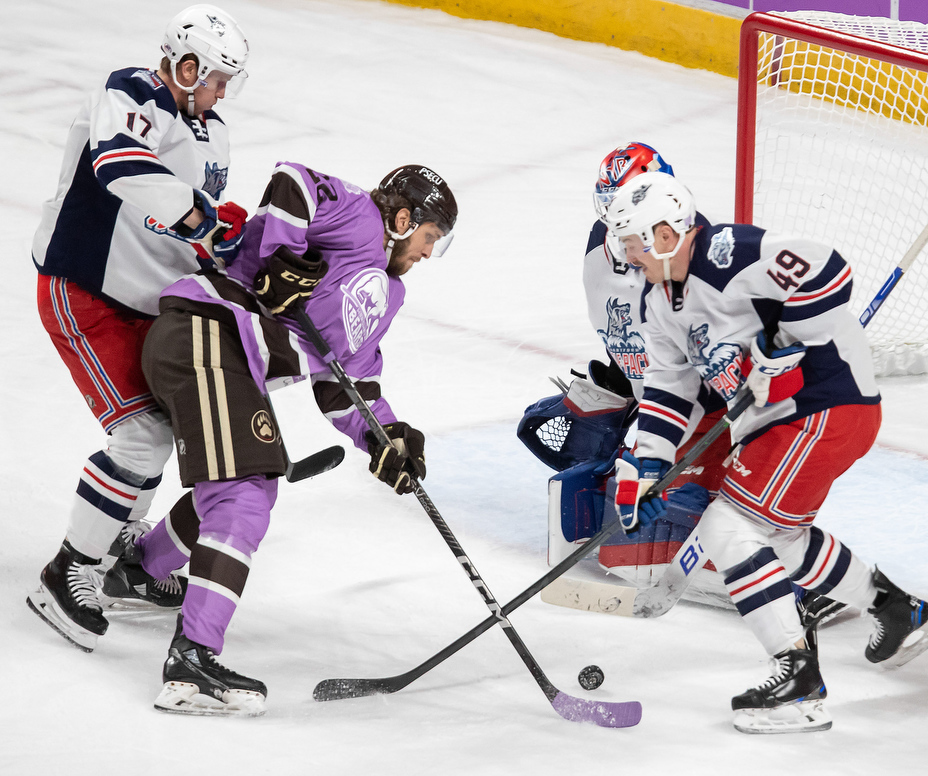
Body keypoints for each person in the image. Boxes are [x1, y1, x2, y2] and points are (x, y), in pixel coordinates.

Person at [605, 171, 928, 733]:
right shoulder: (658, 303)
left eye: (631, 243)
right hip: (787, 421)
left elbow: (828, 267)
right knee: (779, 537)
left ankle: (798, 680)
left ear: (665, 235)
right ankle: (897, 611)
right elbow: (671, 390)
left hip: (826, 403)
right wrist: (646, 465)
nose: (627, 256)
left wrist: (786, 338)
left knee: (727, 527)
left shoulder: (727, 254)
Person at [106, 161, 457, 716]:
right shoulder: (362, 216)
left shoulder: (388, 295)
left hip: (231, 358)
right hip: (207, 331)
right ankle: (192, 664)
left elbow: (344, 387)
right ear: (405, 217)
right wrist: (279, 257)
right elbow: (293, 181)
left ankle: (138, 572)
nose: (429, 252)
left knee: (245, 479)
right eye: (430, 236)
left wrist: (386, 437)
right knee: (243, 493)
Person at [27, 4, 251, 653]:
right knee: (141, 436)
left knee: (166, 427)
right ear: (186, 65)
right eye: (215, 77)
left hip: (147, 303)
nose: (220, 91)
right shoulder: (130, 92)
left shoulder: (215, 135)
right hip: (84, 289)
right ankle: (67, 571)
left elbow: (191, 230)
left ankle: (119, 551)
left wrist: (233, 250)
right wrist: (205, 220)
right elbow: (120, 166)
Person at [518, 142, 731, 588]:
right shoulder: (601, 249)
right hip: (661, 409)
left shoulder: (692, 255)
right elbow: (627, 332)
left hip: (706, 413)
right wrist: (618, 381)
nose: (620, 231)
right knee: (621, 538)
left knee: (639, 546)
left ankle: (777, 566)